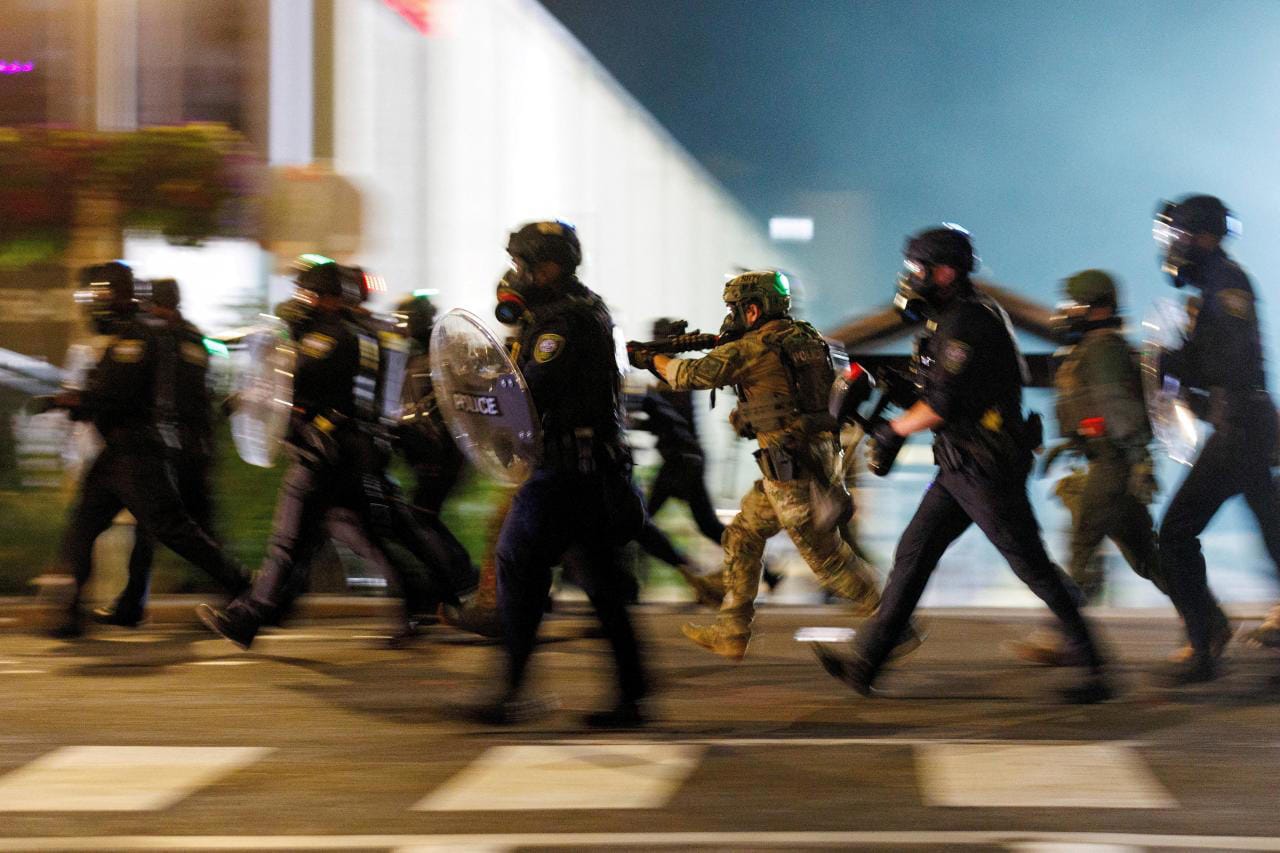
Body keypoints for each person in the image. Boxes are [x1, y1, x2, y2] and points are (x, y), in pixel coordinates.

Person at [812, 226, 1111, 703]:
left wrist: (892, 430)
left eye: (919, 268)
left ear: (946, 272)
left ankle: (1095, 669)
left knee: (1030, 564)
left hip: (985, 468)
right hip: (959, 467)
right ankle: (865, 665)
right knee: (913, 555)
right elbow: (935, 390)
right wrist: (895, 387)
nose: (911, 276)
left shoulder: (969, 322)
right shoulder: (946, 320)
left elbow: (943, 404)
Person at [197, 257, 474, 648]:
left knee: (288, 542)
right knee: (368, 538)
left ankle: (249, 617)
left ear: (329, 298)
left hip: (324, 456)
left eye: (309, 293)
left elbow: (295, 380)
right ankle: (423, 599)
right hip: (350, 456)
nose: (302, 299)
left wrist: (252, 392)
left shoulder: (331, 337)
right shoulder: (355, 332)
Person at [633, 270, 880, 661]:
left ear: (753, 310)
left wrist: (650, 358)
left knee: (828, 560)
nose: (730, 316)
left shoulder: (755, 348)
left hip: (790, 470)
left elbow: (689, 375)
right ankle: (731, 630)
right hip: (810, 459)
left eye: (735, 309)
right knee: (742, 535)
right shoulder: (808, 338)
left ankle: (892, 620)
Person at [477, 220, 649, 727]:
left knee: (517, 562)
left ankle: (513, 692)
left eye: (523, 264)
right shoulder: (580, 309)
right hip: (591, 469)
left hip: (565, 472)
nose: (516, 273)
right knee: (601, 584)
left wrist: (486, 389)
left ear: (548, 267)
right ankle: (632, 697)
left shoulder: (563, 323)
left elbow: (529, 391)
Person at [51, 263, 249, 637]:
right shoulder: (176, 338)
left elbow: (116, 395)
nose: (95, 305)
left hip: (139, 453)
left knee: (173, 529)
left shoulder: (138, 339)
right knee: (86, 525)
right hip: (130, 452)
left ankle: (240, 583)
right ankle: (75, 612)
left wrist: (79, 402)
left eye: (100, 296)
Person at [1013, 270, 1185, 665]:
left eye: (1076, 305)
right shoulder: (1094, 347)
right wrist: (1071, 445)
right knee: (1146, 557)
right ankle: (1206, 617)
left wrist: (1139, 462)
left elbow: (1120, 410)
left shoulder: (1104, 349)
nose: (1066, 312)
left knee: (1082, 546)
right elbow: (1098, 411)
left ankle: (1064, 636)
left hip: (1113, 464)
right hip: (1107, 459)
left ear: (1100, 309)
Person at [1150, 195, 1280, 679]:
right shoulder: (1218, 284)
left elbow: (1231, 363)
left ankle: (1204, 642)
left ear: (1203, 237)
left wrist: (1177, 361)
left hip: (1240, 427)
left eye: (1181, 236)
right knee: (1273, 530)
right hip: (1244, 423)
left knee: (1175, 533)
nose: (1175, 246)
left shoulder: (1226, 285)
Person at [90, 278, 220, 628]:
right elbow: (205, 393)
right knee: (172, 527)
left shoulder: (161, 340)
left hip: (171, 445)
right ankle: (132, 604)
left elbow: (165, 397)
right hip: (194, 445)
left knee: (171, 528)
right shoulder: (195, 338)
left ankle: (243, 596)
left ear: (159, 305)